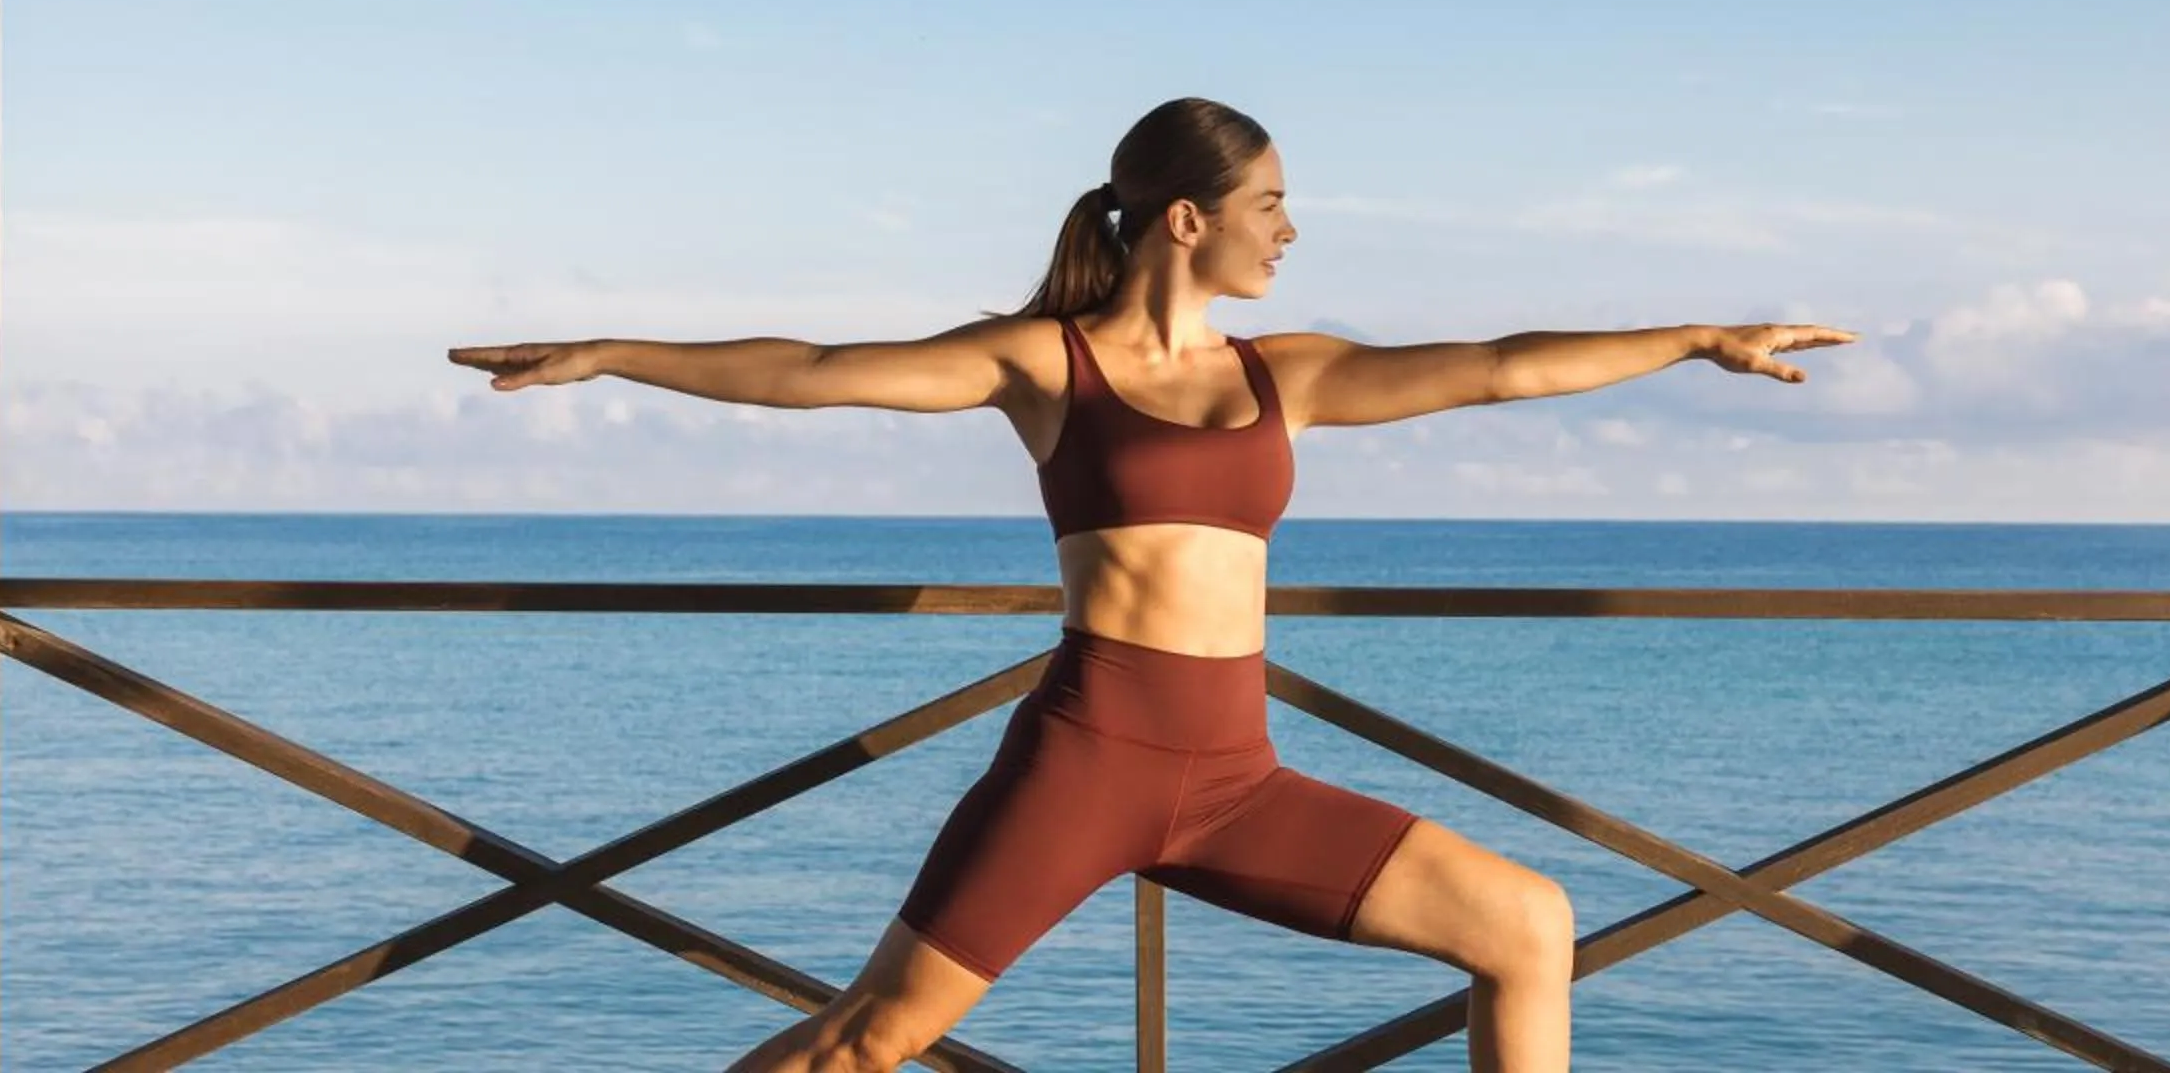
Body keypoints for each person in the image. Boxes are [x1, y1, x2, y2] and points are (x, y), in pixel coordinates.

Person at [450, 97, 1852, 1072]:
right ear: (1187, 219)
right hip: (1087, 760)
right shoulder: (1043, 363)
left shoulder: (1283, 373)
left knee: (1528, 924)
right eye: (1274, 204)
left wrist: (1700, 336)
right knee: (870, 1041)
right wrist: (617, 350)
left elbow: (1499, 362)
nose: (1290, 231)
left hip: (1236, 776)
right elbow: (813, 373)